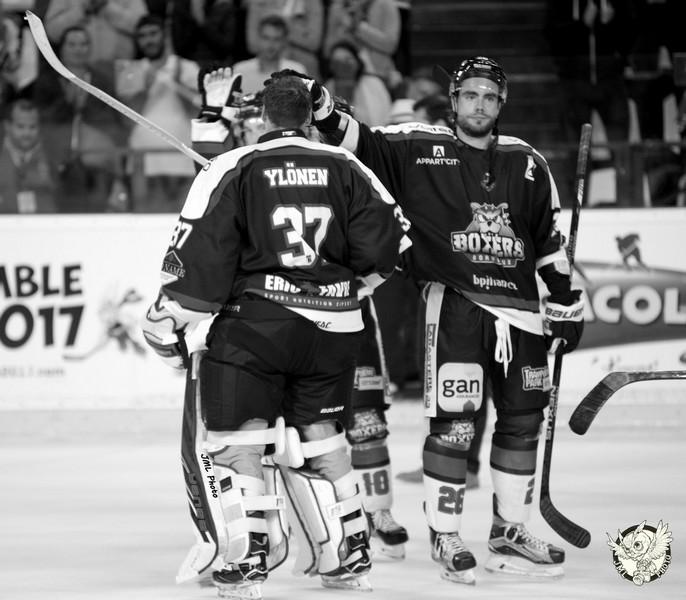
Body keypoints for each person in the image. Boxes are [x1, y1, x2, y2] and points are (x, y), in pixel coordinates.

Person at [290, 55, 585, 584]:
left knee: (523, 422)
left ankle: (509, 533)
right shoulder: (420, 147)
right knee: (454, 425)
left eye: (489, 97)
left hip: (521, 316)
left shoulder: (527, 162)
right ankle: (446, 536)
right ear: (454, 100)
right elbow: (362, 143)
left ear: (502, 103)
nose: (480, 105)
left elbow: (547, 241)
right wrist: (323, 106)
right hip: (453, 308)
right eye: (470, 95)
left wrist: (565, 301)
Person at [142, 72, 411, 598]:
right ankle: (348, 556)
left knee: (239, 440)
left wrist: (170, 315)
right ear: (310, 117)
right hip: (334, 330)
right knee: (323, 436)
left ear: (263, 115)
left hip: (258, 328)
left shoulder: (235, 165)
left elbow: (204, 253)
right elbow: (392, 246)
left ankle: (247, 561)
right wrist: (349, 290)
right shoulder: (347, 164)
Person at [34, 25, 125, 212]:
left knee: (97, 213)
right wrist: (66, 102)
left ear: (90, 48)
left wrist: (85, 107)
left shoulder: (101, 81)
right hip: (57, 159)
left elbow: (111, 120)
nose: (78, 49)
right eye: (72, 44)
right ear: (62, 49)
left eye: (83, 44)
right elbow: (41, 119)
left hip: (95, 160)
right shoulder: (47, 80)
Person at [115, 14, 199, 211]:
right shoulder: (129, 71)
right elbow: (125, 121)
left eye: (153, 33)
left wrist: (178, 84)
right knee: (144, 222)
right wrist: (145, 89)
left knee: (184, 221)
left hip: (184, 160)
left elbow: (198, 114)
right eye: (142, 36)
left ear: (165, 35)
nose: (149, 40)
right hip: (143, 161)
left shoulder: (188, 68)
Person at [0, 98, 57, 214]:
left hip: (45, 222)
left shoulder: (53, 154)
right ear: (7, 126)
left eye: (32, 127)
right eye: (20, 126)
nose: (27, 133)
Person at [232, 15, 308, 95]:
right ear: (258, 38)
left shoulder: (297, 72)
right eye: (266, 38)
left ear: (284, 41)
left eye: (276, 39)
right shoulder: (240, 71)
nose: (271, 44)